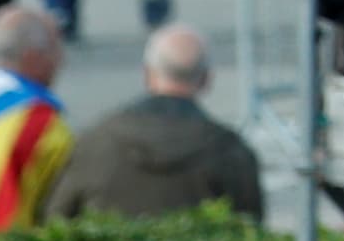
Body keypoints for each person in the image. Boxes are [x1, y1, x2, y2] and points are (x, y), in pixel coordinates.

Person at [44, 28, 260, 220]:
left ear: (148, 74)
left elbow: (58, 217)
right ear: (206, 79)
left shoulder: (96, 142)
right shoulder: (229, 151)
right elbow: (250, 226)